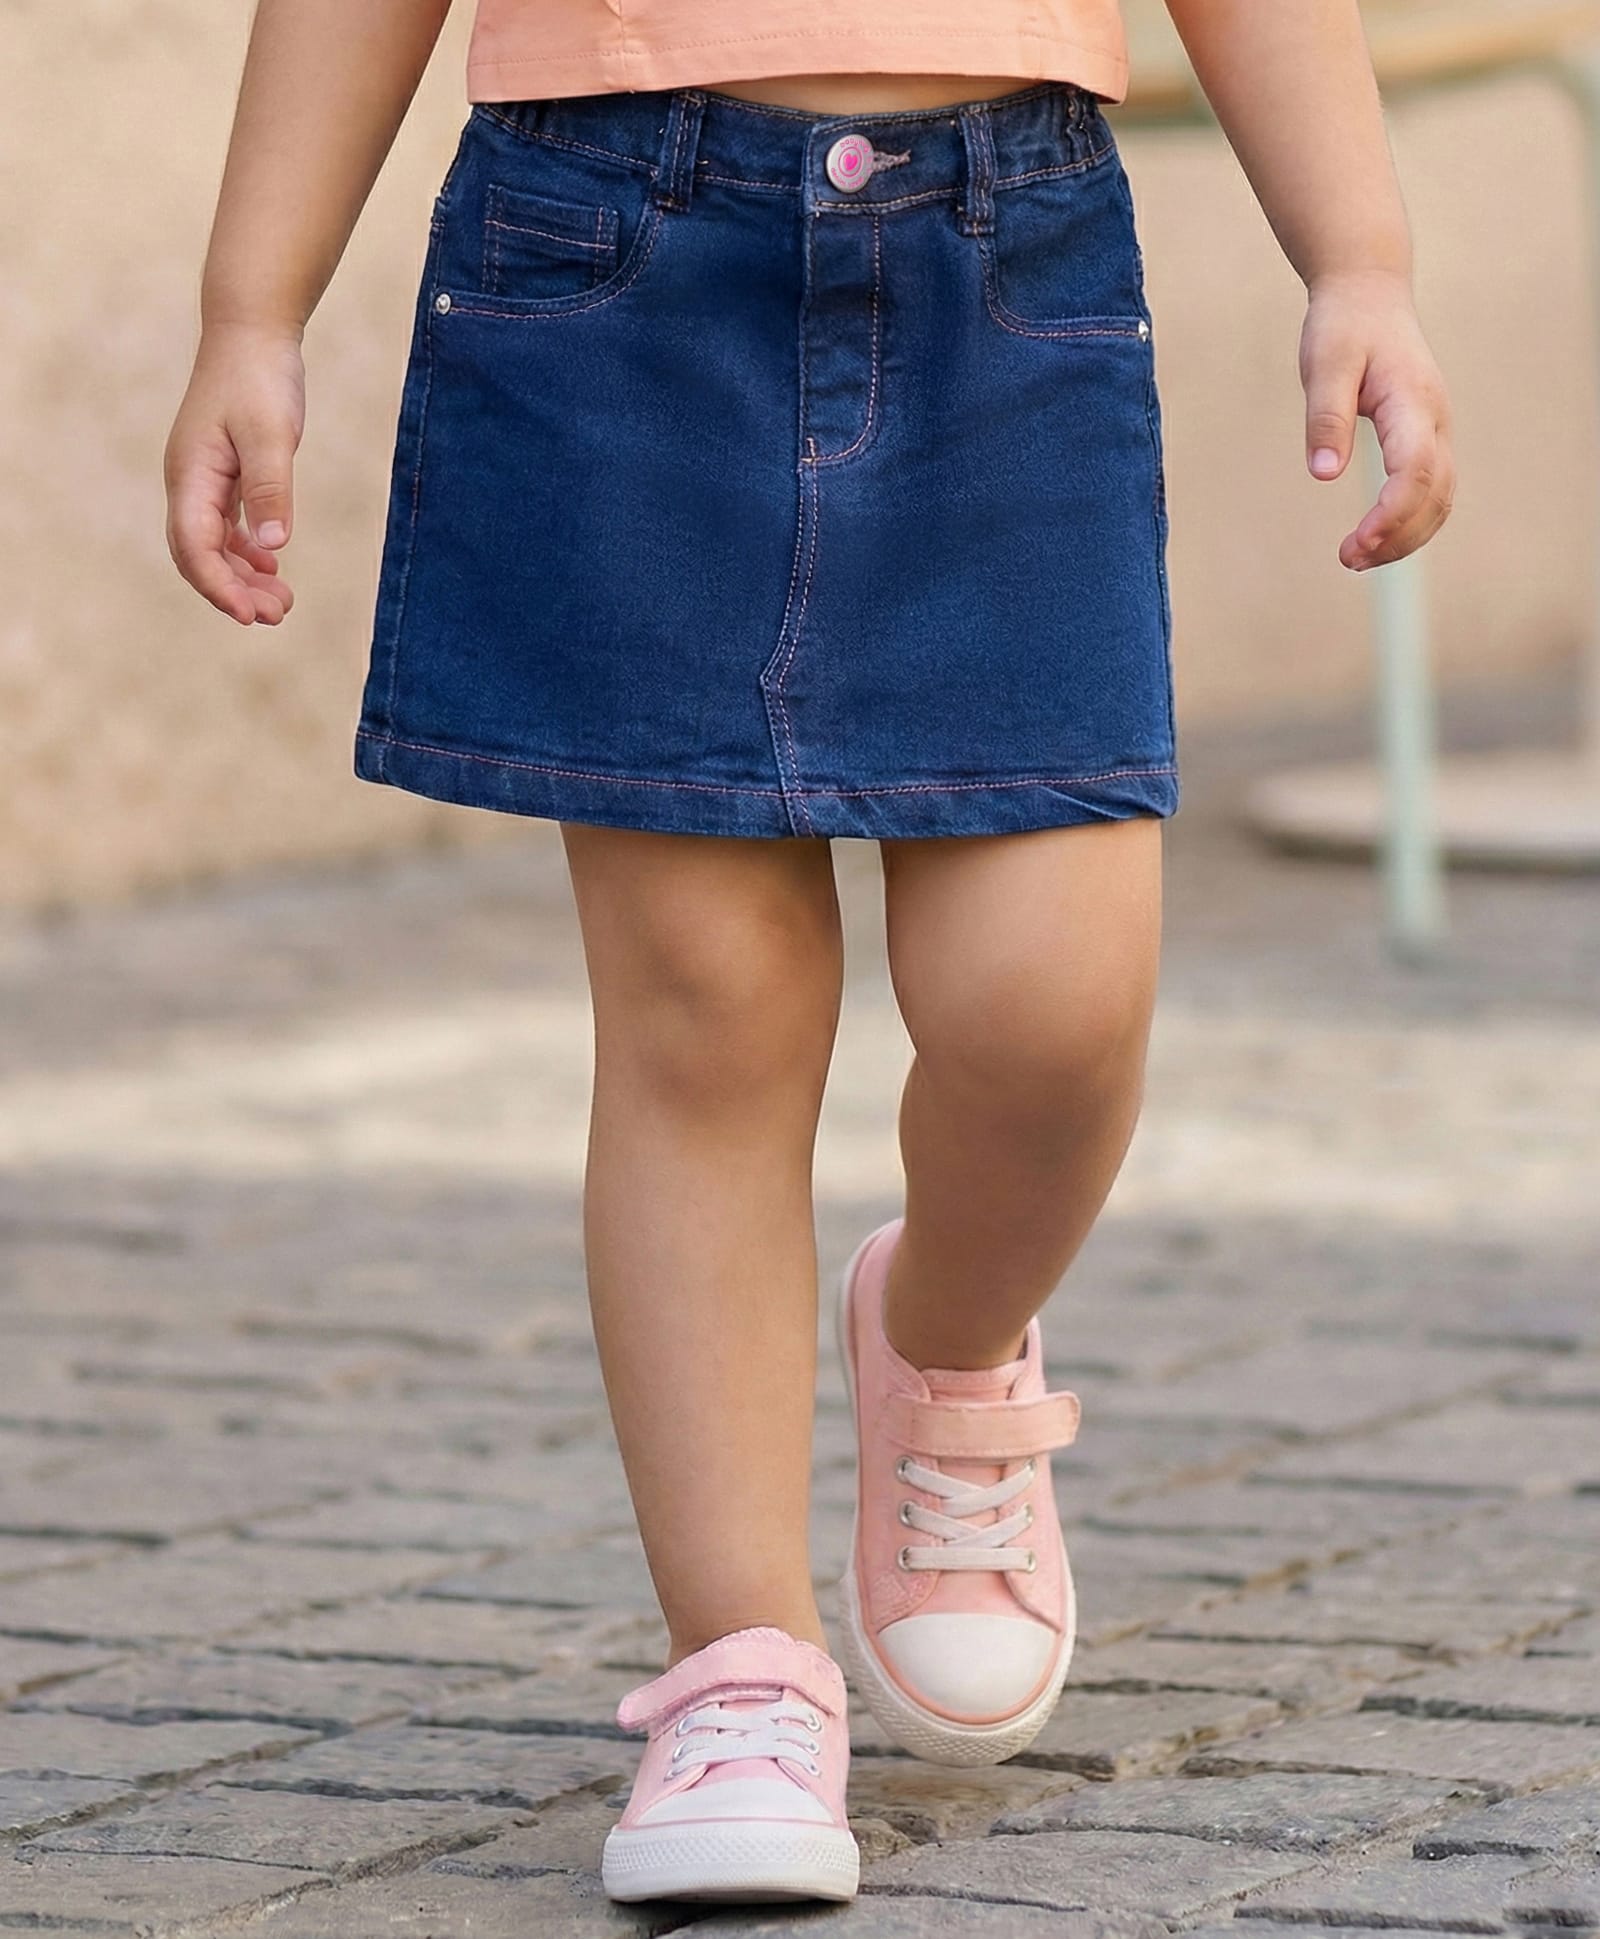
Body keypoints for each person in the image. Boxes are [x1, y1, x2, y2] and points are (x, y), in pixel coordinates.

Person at [164, 0, 1455, 1907]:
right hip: (605, 257)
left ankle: (940, 1340)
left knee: (1058, 1011)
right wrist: (249, 306)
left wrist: (1361, 260)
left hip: (1002, 262)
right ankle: (740, 1674)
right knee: (708, 1013)